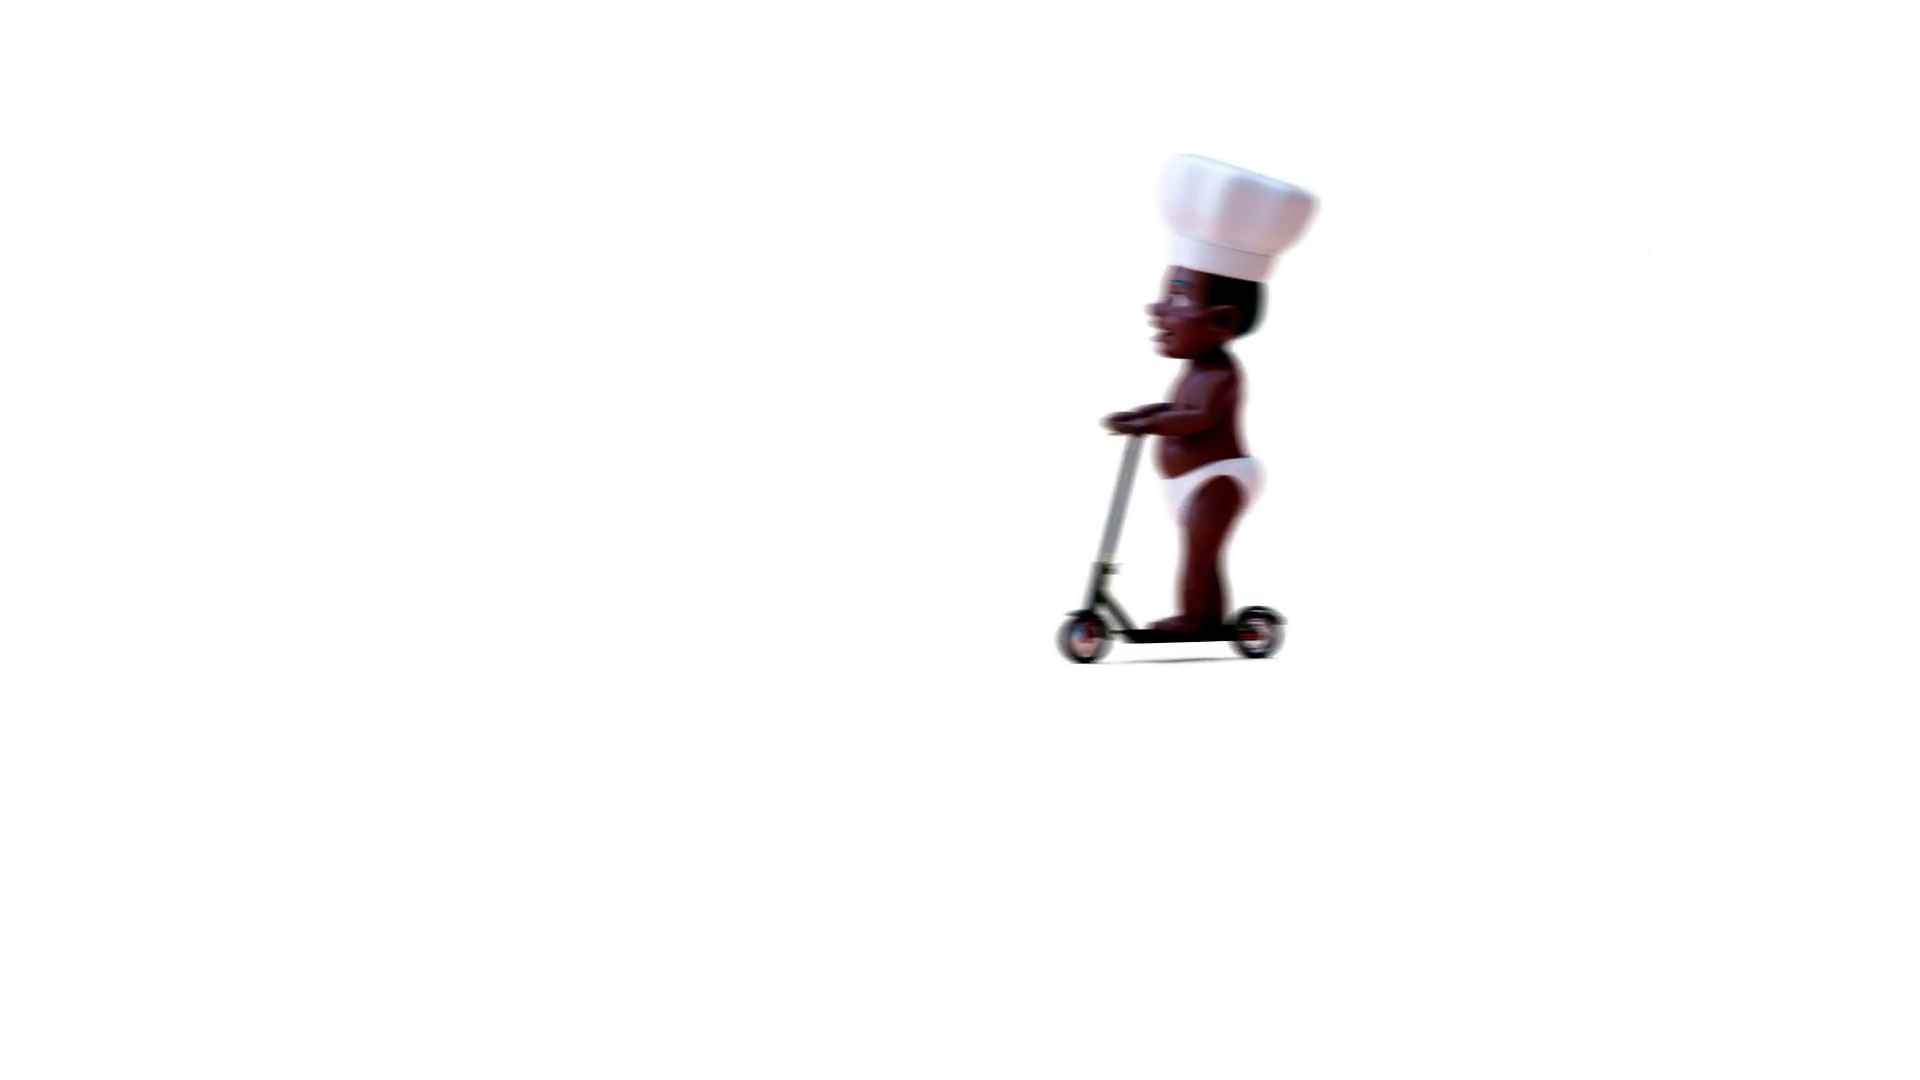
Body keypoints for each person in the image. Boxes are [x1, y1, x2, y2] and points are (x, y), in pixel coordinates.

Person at [1102, 156, 1316, 634]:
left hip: (1217, 479)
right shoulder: (1199, 367)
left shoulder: (1221, 375)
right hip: (1195, 480)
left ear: (1222, 321)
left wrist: (1151, 424)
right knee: (1198, 552)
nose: (1157, 309)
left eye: (1177, 298)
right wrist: (1143, 414)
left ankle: (1200, 617)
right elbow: (1178, 409)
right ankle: (1204, 614)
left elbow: (1196, 417)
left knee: (1200, 555)